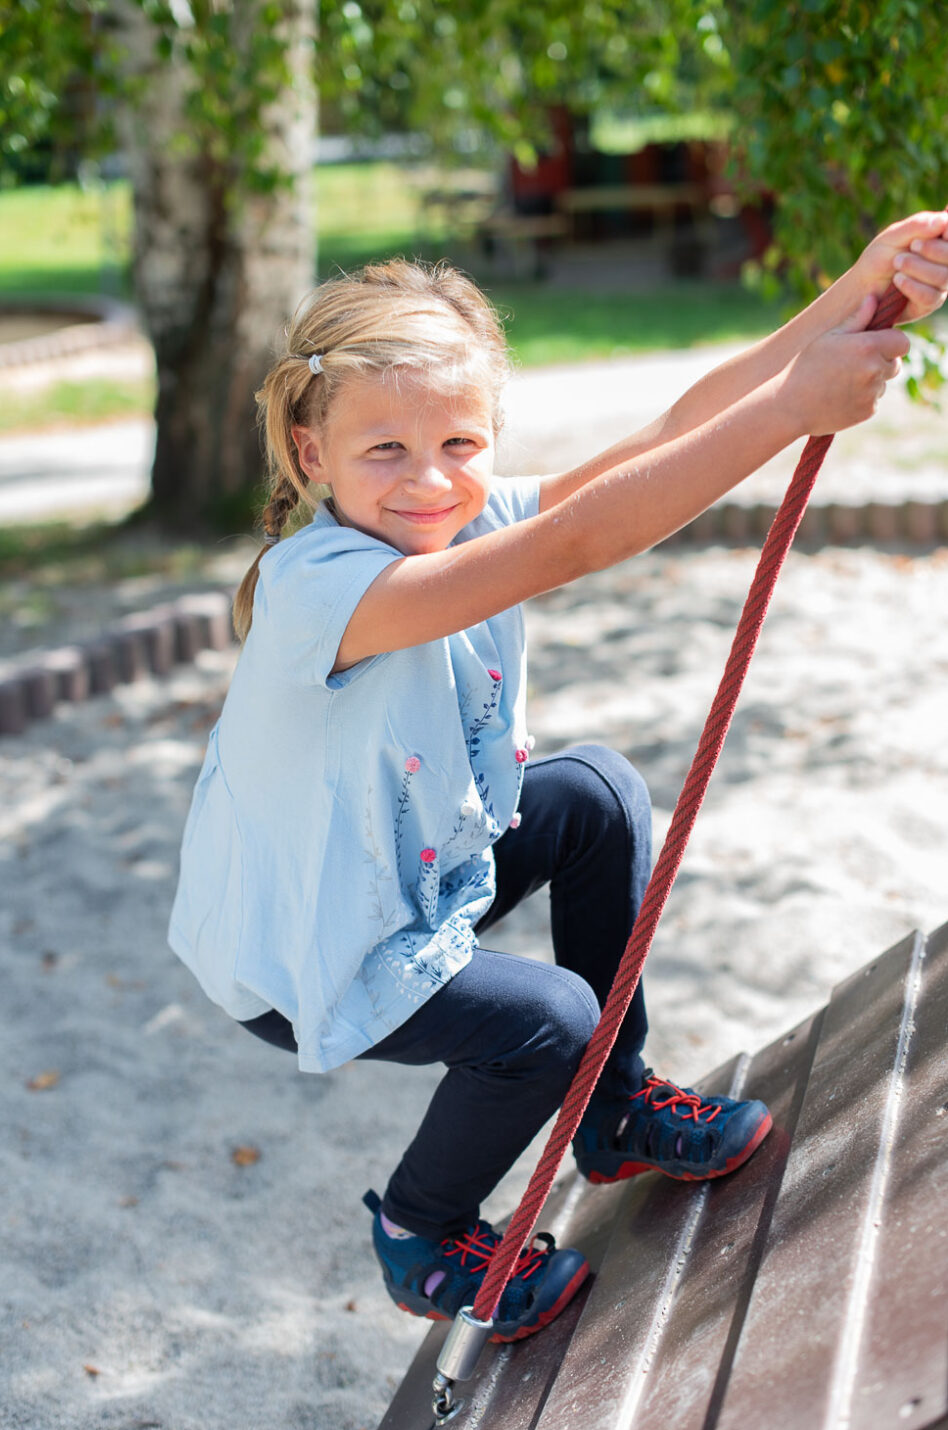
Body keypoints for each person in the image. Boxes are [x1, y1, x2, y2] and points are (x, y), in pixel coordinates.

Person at [168, 212, 948, 1342]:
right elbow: (572, 544)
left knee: (591, 793)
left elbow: (664, 433)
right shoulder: (319, 587)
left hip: (399, 873)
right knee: (545, 1019)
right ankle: (424, 1228)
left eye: (461, 445)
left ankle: (613, 1104)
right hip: (308, 945)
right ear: (308, 451)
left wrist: (852, 290)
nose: (431, 482)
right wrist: (792, 413)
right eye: (384, 448)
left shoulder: (449, 513)